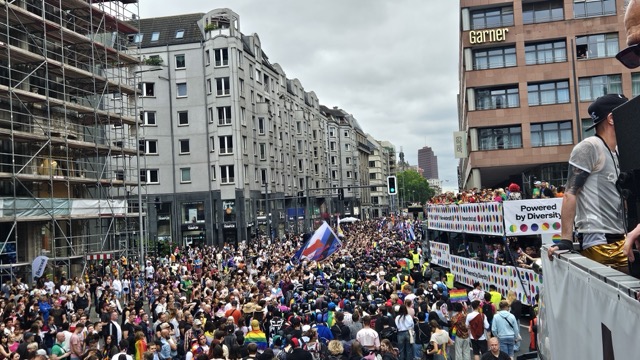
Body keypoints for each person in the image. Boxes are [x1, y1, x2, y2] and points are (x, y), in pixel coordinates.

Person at [548, 93, 631, 274]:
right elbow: (570, 192)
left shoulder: (617, 151)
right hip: (600, 241)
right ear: (611, 119)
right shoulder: (590, 147)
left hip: (620, 238)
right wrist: (566, 240)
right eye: (627, 112)